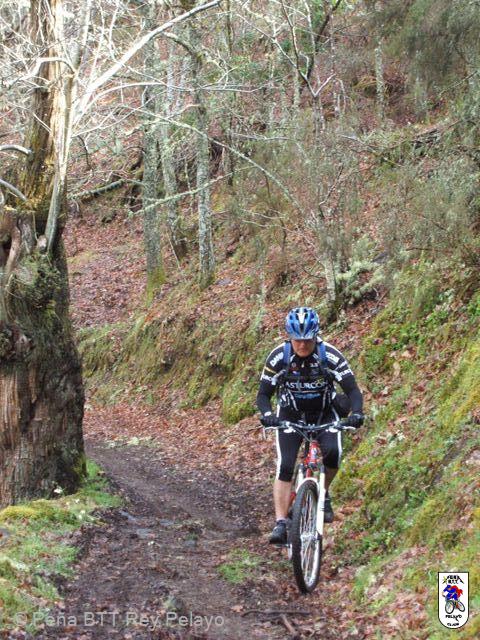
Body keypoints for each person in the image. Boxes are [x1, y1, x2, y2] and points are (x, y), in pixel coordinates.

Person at [257, 306, 364, 544]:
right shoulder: (279, 357)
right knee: (285, 465)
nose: (302, 345)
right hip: (290, 414)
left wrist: (357, 413)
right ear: (289, 337)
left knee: (333, 454)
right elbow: (263, 394)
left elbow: (352, 390)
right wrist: (267, 414)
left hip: (324, 413)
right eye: (297, 340)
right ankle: (281, 523)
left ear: (316, 336)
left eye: (307, 340)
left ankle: (323, 493)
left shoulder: (330, 356)